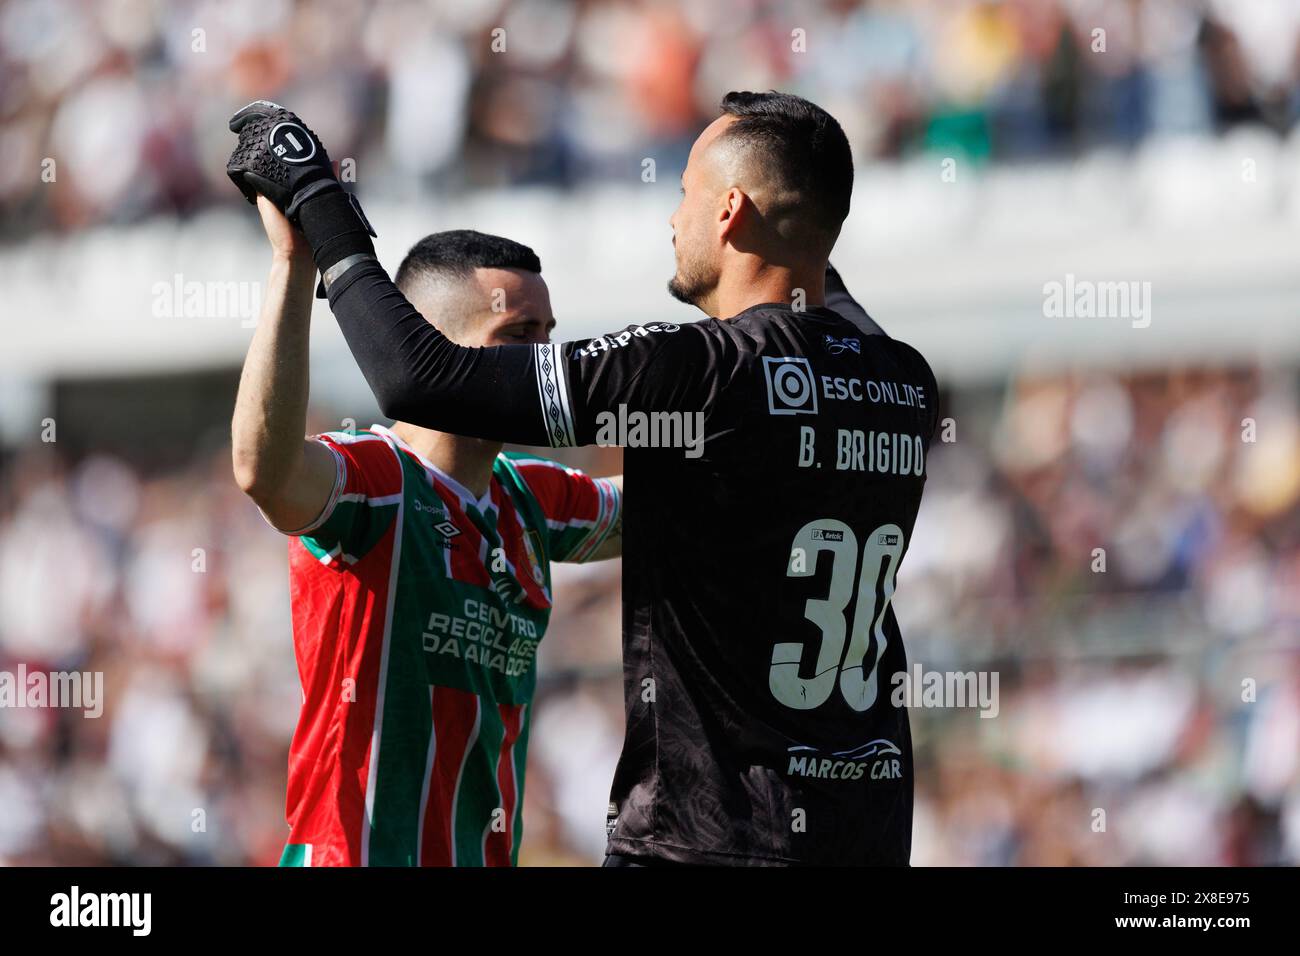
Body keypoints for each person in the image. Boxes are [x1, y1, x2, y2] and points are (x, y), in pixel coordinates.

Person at [227, 90, 937, 865]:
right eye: (517, 335)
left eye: (685, 195)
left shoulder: (694, 378)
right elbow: (266, 468)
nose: (674, 220)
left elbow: (418, 379)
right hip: (860, 830)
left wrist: (317, 205)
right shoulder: (901, 380)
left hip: (709, 839)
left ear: (730, 211)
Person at [230, 195, 621, 866]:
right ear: (433, 344)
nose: (544, 362)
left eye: (549, 335)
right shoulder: (377, 481)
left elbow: (672, 503)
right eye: (518, 336)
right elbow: (263, 469)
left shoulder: (530, 495)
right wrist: (294, 264)